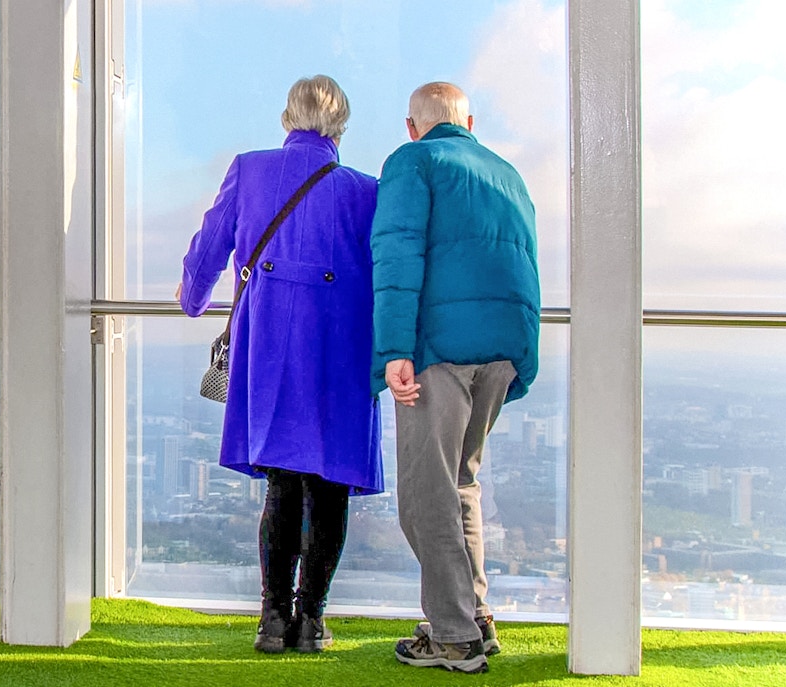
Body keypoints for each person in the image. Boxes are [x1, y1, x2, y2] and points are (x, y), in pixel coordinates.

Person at [177, 75, 383, 654]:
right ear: (340, 126)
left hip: (270, 344)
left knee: (284, 483)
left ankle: (272, 619)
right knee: (331, 484)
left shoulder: (249, 168)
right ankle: (312, 620)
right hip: (343, 349)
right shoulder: (366, 191)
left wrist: (193, 297)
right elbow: (389, 268)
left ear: (287, 117)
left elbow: (212, 240)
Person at [370, 81, 540, 674]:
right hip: (501, 350)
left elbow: (396, 255)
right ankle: (476, 617)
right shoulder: (507, 174)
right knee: (462, 483)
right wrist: (523, 357)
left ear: (412, 125)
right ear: (471, 120)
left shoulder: (413, 160)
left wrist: (393, 348)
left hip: (438, 351)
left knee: (424, 496)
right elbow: (526, 268)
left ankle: (453, 636)